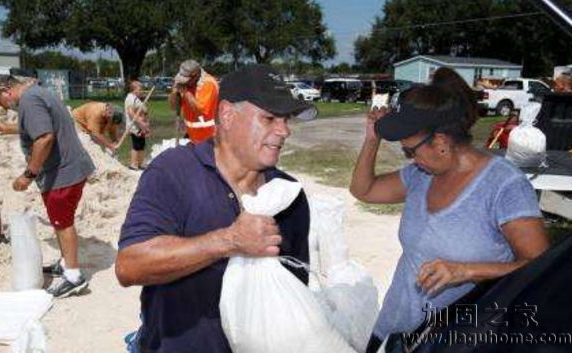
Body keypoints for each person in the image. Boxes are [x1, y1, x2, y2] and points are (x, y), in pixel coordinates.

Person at [115, 64, 317, 353]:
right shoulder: (174, 171)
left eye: (286, 120)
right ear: (227, 114)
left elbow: (296, 291)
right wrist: (230, 241)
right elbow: (129, 265)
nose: (284, 131)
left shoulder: (287, 196)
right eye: (270, 117)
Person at [351, 84, 549, 352]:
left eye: (410, 151)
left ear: (441, 143)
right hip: (393, 326)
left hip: (452, 339)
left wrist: (465, 271)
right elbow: (364, 190)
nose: (410, 159)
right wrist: (372, 139)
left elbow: (542, 270)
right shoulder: (420, 176)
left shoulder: (504, 186)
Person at [0, 74, 96, 298]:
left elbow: (44, 137)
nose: (2, 106)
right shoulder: (35, 94)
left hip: (63, 173)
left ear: (6, 89)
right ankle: (66, 263)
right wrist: (11, 128)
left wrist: (28, 175)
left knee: (63, 223)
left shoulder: (29, 100)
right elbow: (40, 124)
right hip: (67, 169)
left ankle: (74, 277)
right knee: (59, 221)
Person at [168, 59, 219, 143]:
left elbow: (199, 110)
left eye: (186, 80)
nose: (184, 83)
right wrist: (174, 93)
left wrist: (186, 92)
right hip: (192, 136)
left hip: (208, 137)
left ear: (196, 76)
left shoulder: (208, 84)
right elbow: (173, 107)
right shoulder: (186, 85)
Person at [124, 80, 151, 170]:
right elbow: (131, 112)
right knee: (137, 145)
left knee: (142, 145)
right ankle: (134, 164)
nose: (142, 91)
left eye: (142, 89)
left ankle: (141, 163)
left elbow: (143, 111)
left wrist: (146, 125)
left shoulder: (137, 99)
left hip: (141, 127)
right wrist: (141, 122)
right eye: (140, 89)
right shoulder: (130, 98)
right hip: (135, 127)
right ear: (133, 90)